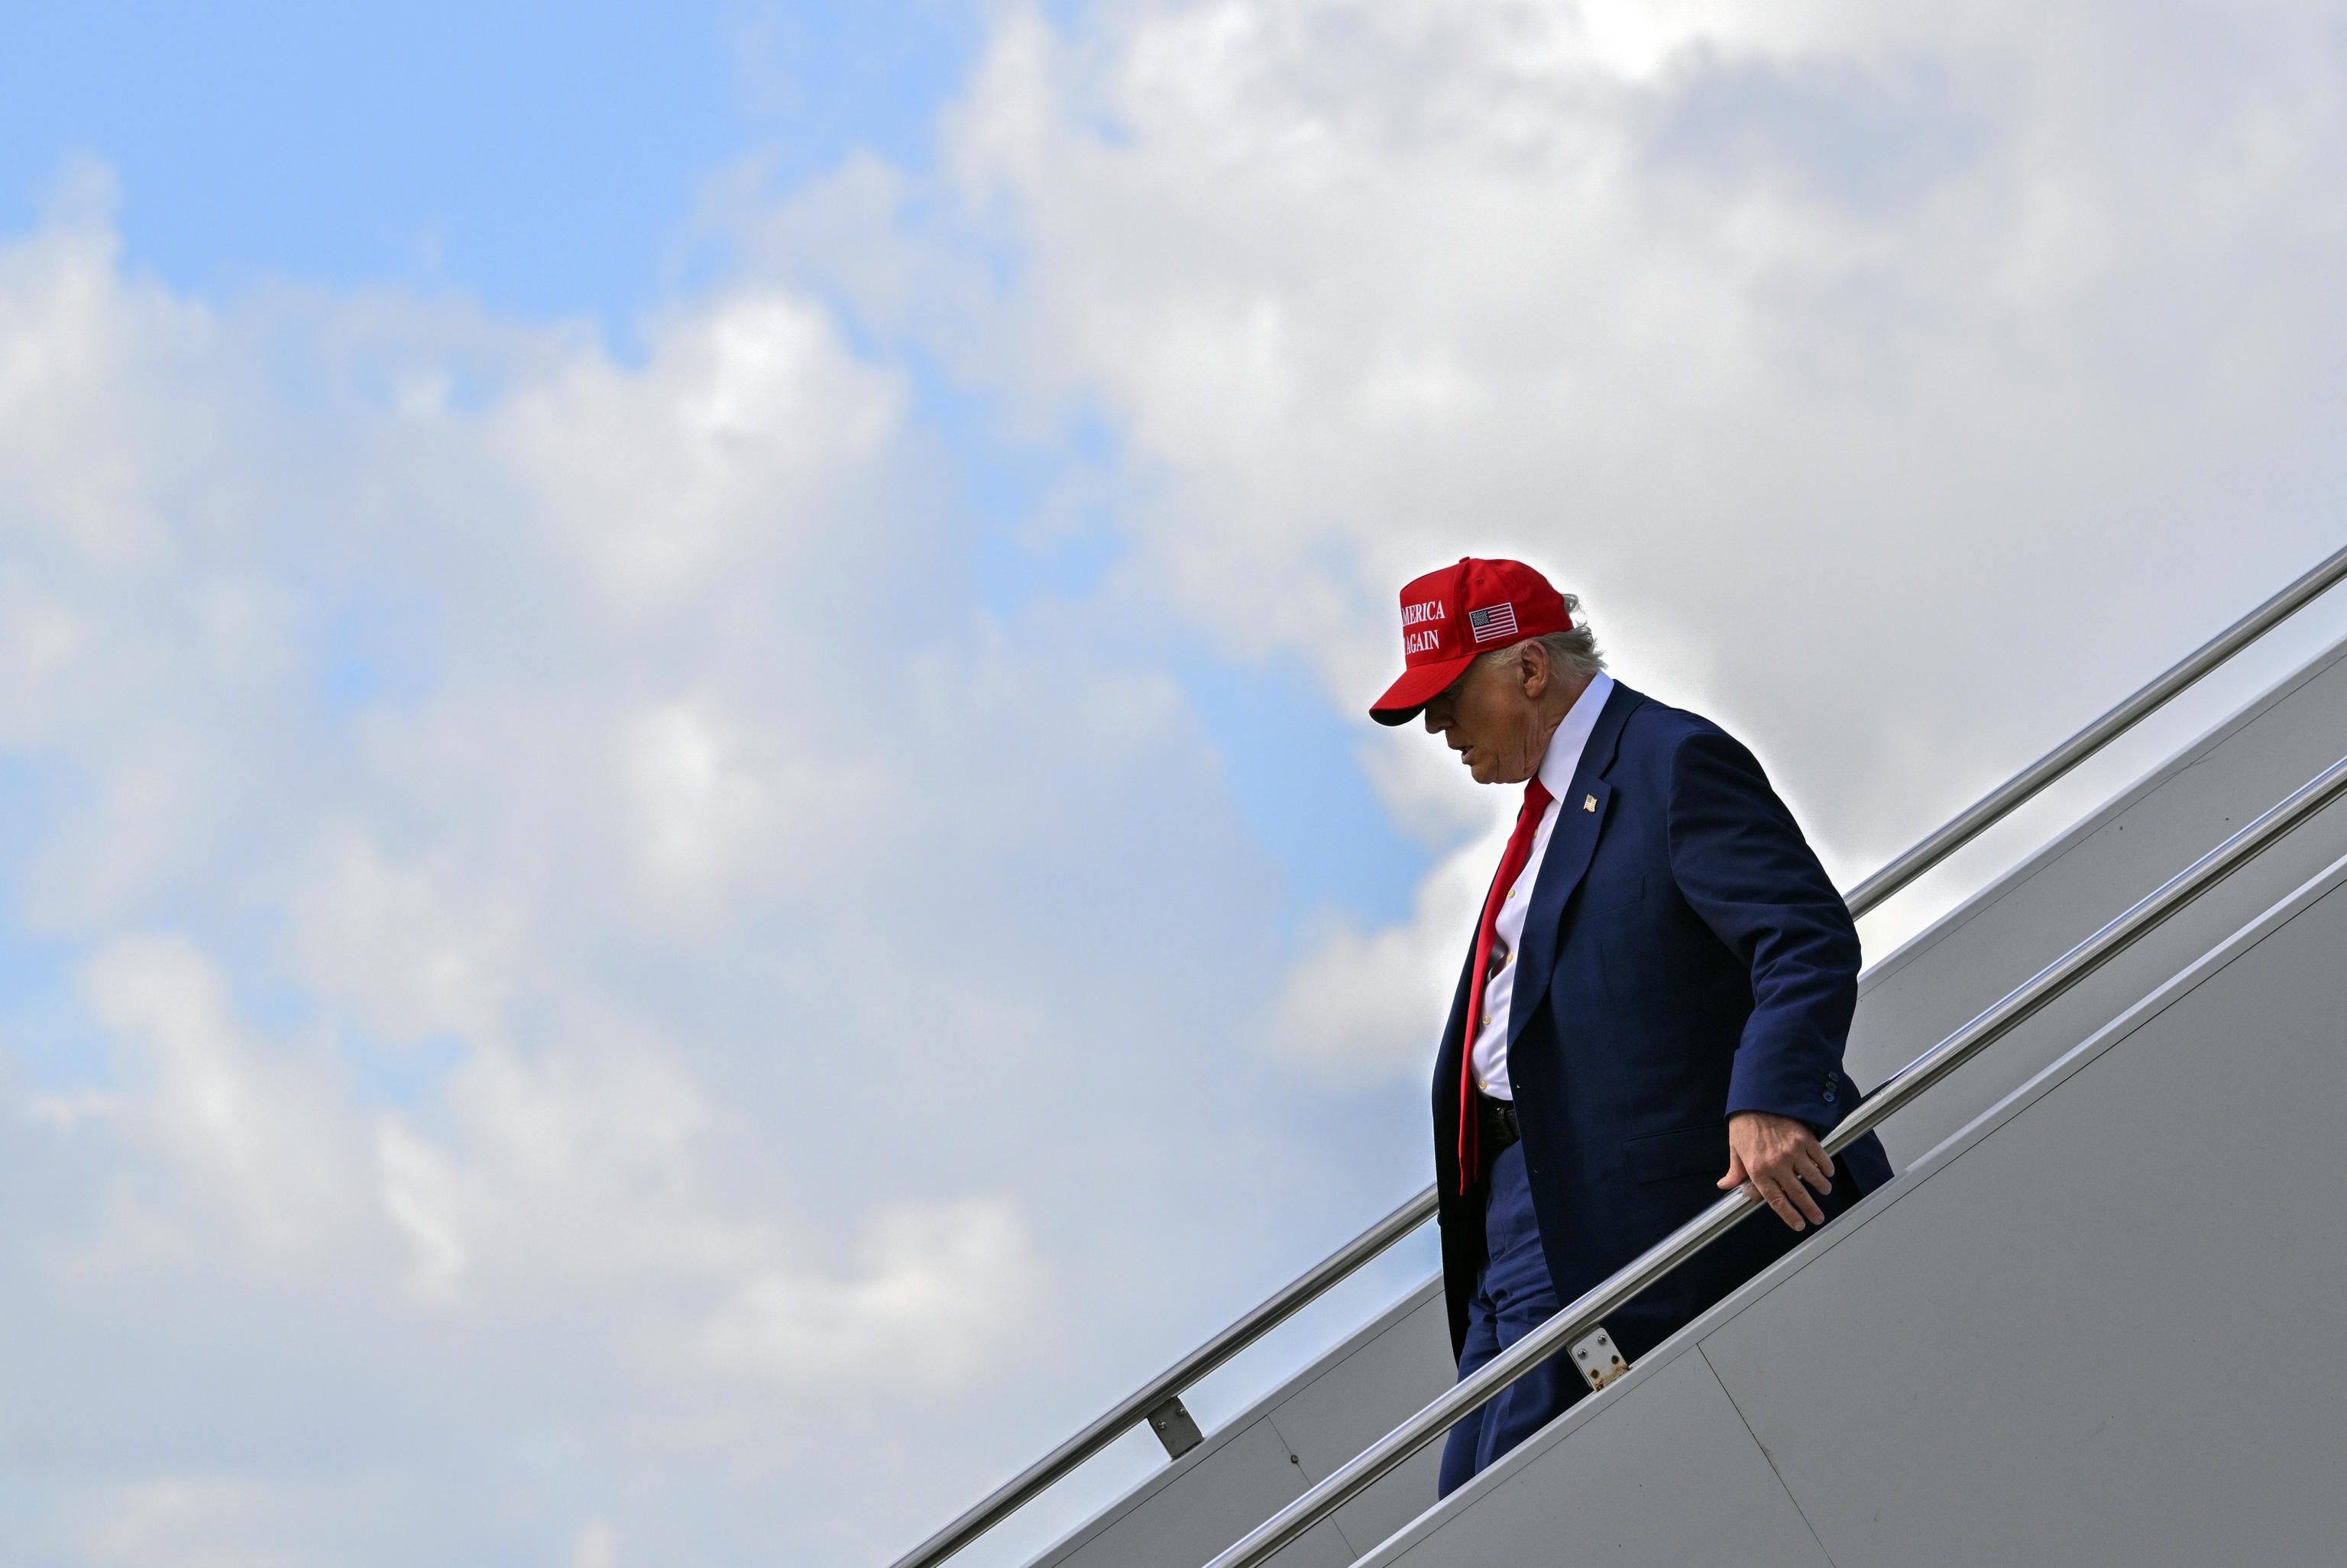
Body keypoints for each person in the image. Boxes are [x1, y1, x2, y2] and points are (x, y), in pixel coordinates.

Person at [1367, 557, 1894, 1495]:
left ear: (1530, 669)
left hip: (1604, 1206)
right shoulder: (1556, 810)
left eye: (1450, 696)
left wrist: (1771, 1097)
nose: (1439, 728)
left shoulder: (1666, 760)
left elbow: (1804, 934)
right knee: (1459, 1499)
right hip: (1513, 1217)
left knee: (1501, 1507)